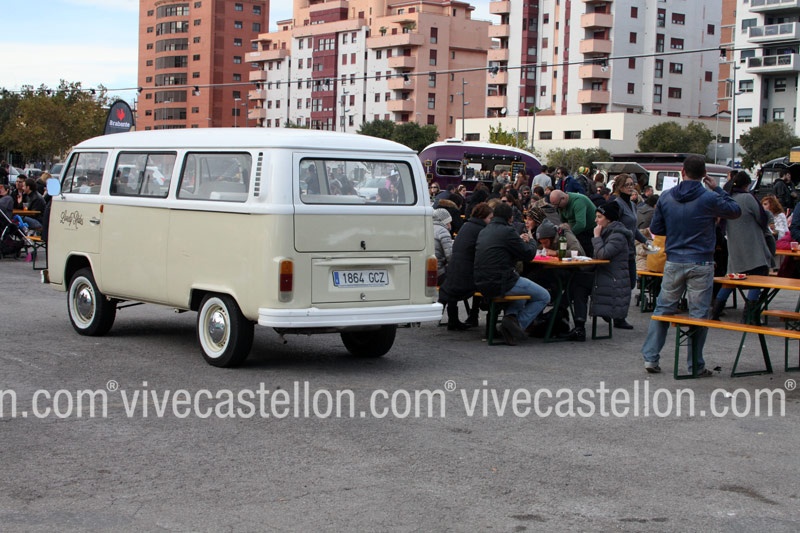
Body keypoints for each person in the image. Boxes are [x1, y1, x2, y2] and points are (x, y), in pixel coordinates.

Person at [640, 155, 741, 376]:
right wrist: (719, 189)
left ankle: (650, 357)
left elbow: (657, 228)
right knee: (698, 313)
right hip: (701, 261)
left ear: (682, 172)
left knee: (663, 308)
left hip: (674, 260)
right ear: (704, 174)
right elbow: (735, 210)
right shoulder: (709, 197)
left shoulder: (666, 197)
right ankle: (695, 364)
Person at [473, 202, 550, 346]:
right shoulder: (508, 231)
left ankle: (510, 317)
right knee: (544, 296)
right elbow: (528, 254)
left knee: (521, 295)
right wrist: (531, 241)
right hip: (501, 281)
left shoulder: (484, 231)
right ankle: (516, 326)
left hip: (481, 281)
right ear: (510, 218)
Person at [710, 171, 773, 321]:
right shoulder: (748, 198)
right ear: (747, 184)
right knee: (757, 279)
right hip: (752, 244)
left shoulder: (729, 199)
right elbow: (761, 217)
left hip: (734, 245)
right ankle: (748, 315)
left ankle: (715, 312)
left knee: (730, 281)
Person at [439, 202, 493, 329]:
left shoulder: (466, 226)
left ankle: (454, 319)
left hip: (453, 273)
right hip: (466, 276)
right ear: (482, 217)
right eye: (490, 218)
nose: (491, 221)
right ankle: (477, 317)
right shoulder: (481, 230)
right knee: (488, 282)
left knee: (454, 287)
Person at [610, 174, 650, 329]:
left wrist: (645, 241)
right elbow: (613, 227)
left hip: (630, 250)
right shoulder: (616, 204)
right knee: (622, 285)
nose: (630, 187)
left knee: (631, 283)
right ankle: (618, 316)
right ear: (620, 187)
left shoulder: (632, 205)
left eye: (632, 184)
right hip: (620, 250)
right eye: (627, 185)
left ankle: (617, 314)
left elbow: (633, 228)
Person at [589, 202, 634, 328]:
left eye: (599, 217)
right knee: (578, 283)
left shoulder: (617, 235)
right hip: (606, 272)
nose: (596, 220)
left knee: (579, 285)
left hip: (612, 276)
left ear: (608, 219)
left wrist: (596, 237)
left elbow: (602, 254)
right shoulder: (607, 232)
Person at [549, 189, 597, 257]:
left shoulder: (578, 202)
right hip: (574, 229)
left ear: (563, 198)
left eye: (557, 205)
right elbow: (563, 221)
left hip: (588, 231)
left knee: (579, 250)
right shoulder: (560, 205)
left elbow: (581, 224)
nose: (556, 207)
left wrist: (569, 234)